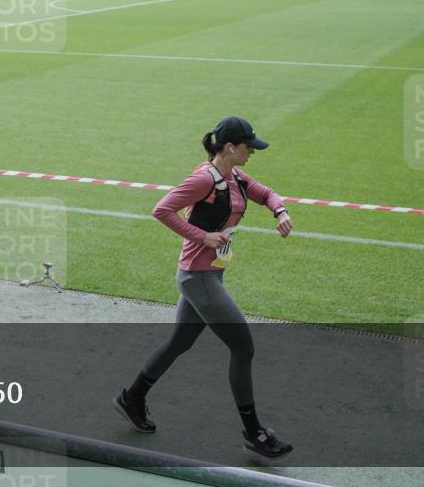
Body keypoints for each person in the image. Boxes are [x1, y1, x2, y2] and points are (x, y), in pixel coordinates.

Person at [114, 116, 295, 462]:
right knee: (243, 348)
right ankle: (254, 433)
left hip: (210, 274)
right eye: (248, 147)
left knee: (179, 342)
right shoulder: (204, 179)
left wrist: (281, 212)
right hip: (199, 278)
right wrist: (203, 236)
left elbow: (267, 194)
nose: (252, 153)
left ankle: (131, 398)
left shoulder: (236, 177)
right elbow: (162, 209)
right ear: (229, 148)